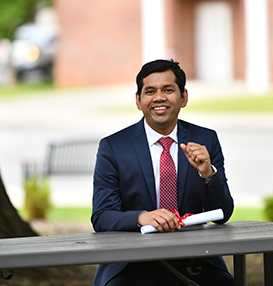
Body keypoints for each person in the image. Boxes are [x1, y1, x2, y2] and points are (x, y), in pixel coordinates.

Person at [91, 59, 235, 286]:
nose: (159, 97)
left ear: (183, 97)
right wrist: (141, 217)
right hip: (132, 262)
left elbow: (223, 213)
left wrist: (208, 174)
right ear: (138, 100)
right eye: (150, 91)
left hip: (195, 258)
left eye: (168, 90)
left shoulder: (206, 140)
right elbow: (102, 216)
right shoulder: (113, 147)